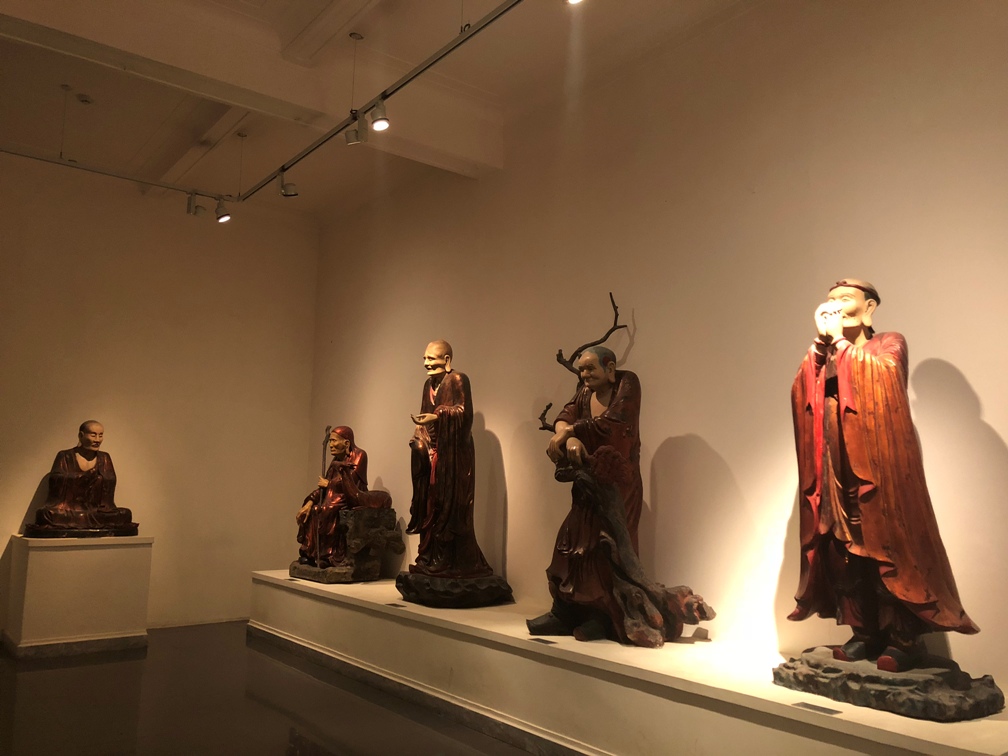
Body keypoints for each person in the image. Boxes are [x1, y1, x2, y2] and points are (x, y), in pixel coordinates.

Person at [788, 279, 978, 672]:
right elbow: (801, 393)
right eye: (829, 301)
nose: (834, 307)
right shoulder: (822, 352)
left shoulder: (888, 344)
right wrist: (821, 349)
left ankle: (902, 638)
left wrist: (841, 346)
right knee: (841, 549)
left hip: (877, 470)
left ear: (869, 307)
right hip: (835, 466)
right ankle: (864, 632)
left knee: (885, 545)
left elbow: (887, 378)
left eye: (845, 299)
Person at [532, 346, 647, 641]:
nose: (584, 374)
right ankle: (564, 611)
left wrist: (571, 431)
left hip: (617, 485)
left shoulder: (628, 385)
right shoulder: (585, 393)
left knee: (605, 548)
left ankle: (604, 617)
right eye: (581, 369)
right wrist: (567, 435)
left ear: (610, 369)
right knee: (571, 541)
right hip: (587, 483)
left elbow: (615, 423)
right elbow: (564, 416)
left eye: (590, 368)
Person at [406, 340, 492, 578]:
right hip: (433, 452)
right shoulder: (428, 385)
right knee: (430, 502)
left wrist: (437, 417)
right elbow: (424, 417)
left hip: (454, 457)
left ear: (446, 360)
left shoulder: (458, 380)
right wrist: (420, 437)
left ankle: (451, 561)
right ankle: (429, 556)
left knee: (450, 507)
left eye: (431, 358)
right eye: (424, 358)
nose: (426, 363)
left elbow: (464, 414)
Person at [27, 420, 137, 536]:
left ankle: (85, 519)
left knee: (125, 514)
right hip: (70, 509)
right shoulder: (65, 456)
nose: (97, 440)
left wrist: (97, 480)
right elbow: (56, 480)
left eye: (100, 435)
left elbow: (110, 483)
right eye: (93, 435)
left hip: (97, 510)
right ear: (81, 435)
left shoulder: (104, 458)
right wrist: (83, 477)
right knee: (46, 514)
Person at [297, 426, 377, 568]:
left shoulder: (360, 455)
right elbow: (323, 489)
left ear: (346, 443)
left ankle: (328, 555)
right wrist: (309, 501)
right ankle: (310, 553)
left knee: (326, 510)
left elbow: (351, 481)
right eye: (330, 441)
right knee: (313, 509)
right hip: (334, 496)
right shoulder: (335, 461)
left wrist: (329, 484)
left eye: (334, 441)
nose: (331, 445)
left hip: (351, 497)